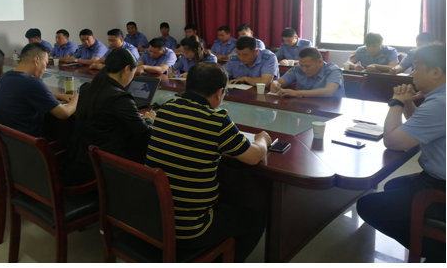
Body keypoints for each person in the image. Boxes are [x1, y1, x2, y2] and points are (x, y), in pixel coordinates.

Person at [145, 62, 272, 263]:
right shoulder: (217, 120)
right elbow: (254, 157)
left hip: (153, 219)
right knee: (255, 221)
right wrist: (262, 139)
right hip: (191, 229)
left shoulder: (166, 109)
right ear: (219, 93)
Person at [356, 44, 446, 263]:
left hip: (440, 186)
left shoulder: (440, 103)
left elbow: (394, 142)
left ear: (436, 72)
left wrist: (396, 103)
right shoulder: (439, 97)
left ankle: (435, 248)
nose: (412, 73)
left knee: (367, 205)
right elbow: (417, 128)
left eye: (417, 68)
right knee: (393, 185)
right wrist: (407, 104)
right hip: (435, 176)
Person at [64, 48, 155, 186]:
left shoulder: (87, 88)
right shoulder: (120, 97)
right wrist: (149, 119)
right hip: (104, 168)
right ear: (127, 69)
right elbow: (144, 133)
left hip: (78, 160)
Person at [0, 43, 77, 138]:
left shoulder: (4, 77)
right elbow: (64, 113)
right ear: (36, 60)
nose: (45, 69)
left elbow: (21, 96)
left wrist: (57, 96)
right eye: (45, 63)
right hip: (26, 141)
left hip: (4, 139)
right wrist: (77, 98)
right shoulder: (32, 82)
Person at [270, 47, 345, 98]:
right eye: (302, 65)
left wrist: (296, 93)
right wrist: (275, 84)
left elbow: (329, 92)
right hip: (307, 106)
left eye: (307, 66)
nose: (304, 69)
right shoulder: (298, 68)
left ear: (319, 62)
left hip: (332, 108)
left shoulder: (333, 70)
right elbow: (279, 82)